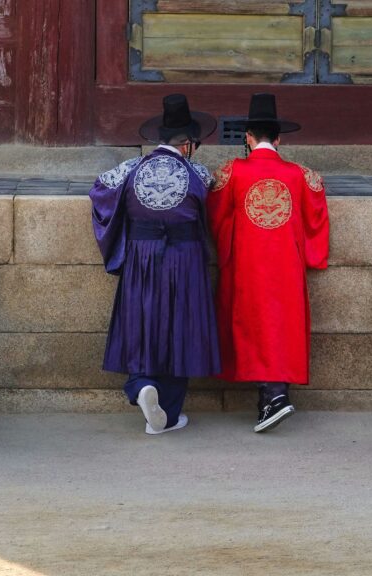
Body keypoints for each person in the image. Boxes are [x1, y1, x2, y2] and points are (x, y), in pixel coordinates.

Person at [89, 94, 221, 435]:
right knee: (181, 330)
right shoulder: (200, 174)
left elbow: (99, 191)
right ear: (189, 144)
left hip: (141, 255)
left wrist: (122, 235)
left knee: (141, 323)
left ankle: (141, 384)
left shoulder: (129, 170)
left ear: (159, 139)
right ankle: (170, 415)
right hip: (186, 256)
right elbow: (215, 212)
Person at [207, 93, 330, 433]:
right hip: (287, 266)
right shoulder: (300, 175)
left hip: (246, 264)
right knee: (282, 325)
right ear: (278, 139)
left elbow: (215, 216)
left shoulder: (232, 172)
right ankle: (274, 395)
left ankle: (271, 397)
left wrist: (227, 248)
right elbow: (316, 219)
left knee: (251, 324)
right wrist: (313, 257)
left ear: (248, 138)